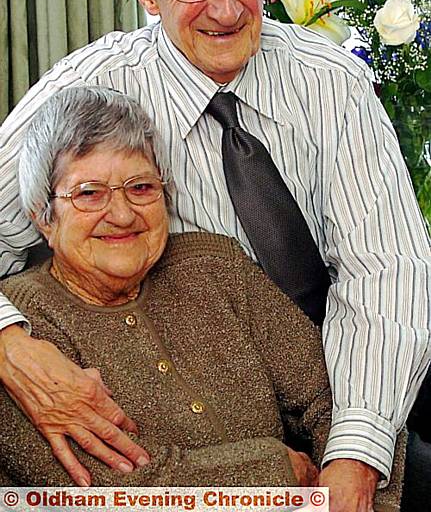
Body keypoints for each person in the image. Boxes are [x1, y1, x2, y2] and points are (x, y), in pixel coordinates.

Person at [0, 0, 429, 511]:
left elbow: (386, 269)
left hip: (356, 380)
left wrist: (356, 453)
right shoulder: (88, 90)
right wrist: (9, 343)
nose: (226, 8)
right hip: (211, 430)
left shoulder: (332, 83)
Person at [0, 86, 330, 491]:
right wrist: (282, 469)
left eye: (140, 187)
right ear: (44, 218)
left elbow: (328, 394)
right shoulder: (19, 335)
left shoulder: (214, 266)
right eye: (89, 193)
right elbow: (111, 487)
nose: (122, 215)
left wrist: (354, 482)